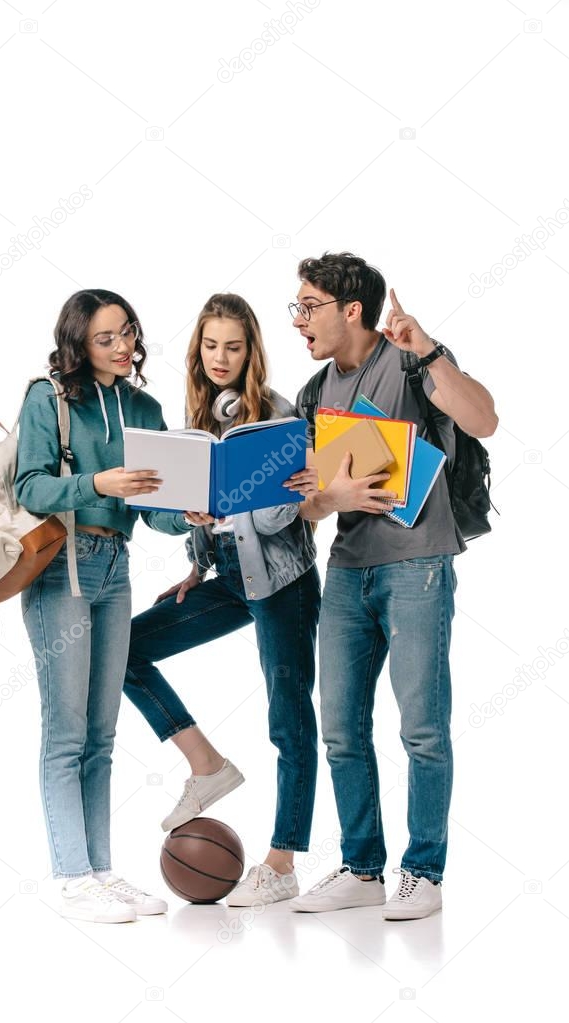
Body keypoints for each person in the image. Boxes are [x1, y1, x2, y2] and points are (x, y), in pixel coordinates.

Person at [283, 252, 498, 919]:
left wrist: (428, 349)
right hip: (348, 569)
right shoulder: (315, 394)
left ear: (351, 309)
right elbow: (307, 506)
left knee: (421, 728)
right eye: (295, 308)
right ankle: (361, 866)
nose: (298, 321)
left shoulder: (410, 360)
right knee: (341, 727)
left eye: (307, 306)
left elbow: (483, 419)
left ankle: (423, 872)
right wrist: (332, 495)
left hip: (417, 564)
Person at [122, 293, 321, 908]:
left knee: (288, 720)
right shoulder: (200, 415)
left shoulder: (281, 417)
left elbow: (286, 517)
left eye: (233, 346)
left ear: (251, 351)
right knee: (123, 648)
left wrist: (234, 502)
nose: (220, 357)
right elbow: (195, 514)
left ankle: (282, 863)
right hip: (230, 578)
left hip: (283, 582)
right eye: (210, 345)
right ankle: (206, 765)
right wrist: (195, 551)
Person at [15, 288, 195, 924]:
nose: (123, 348)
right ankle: (71, 876)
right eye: (105, 339)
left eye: (127, 334)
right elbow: (30, 485)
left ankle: (102, 872)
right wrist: (97, 483)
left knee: (102, 735)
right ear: (77, 343)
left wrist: (191, 512)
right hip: (61, 566)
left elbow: (156, 510)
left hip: (115, 567)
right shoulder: (49, 397)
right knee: (66, 733)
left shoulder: (143, 406)